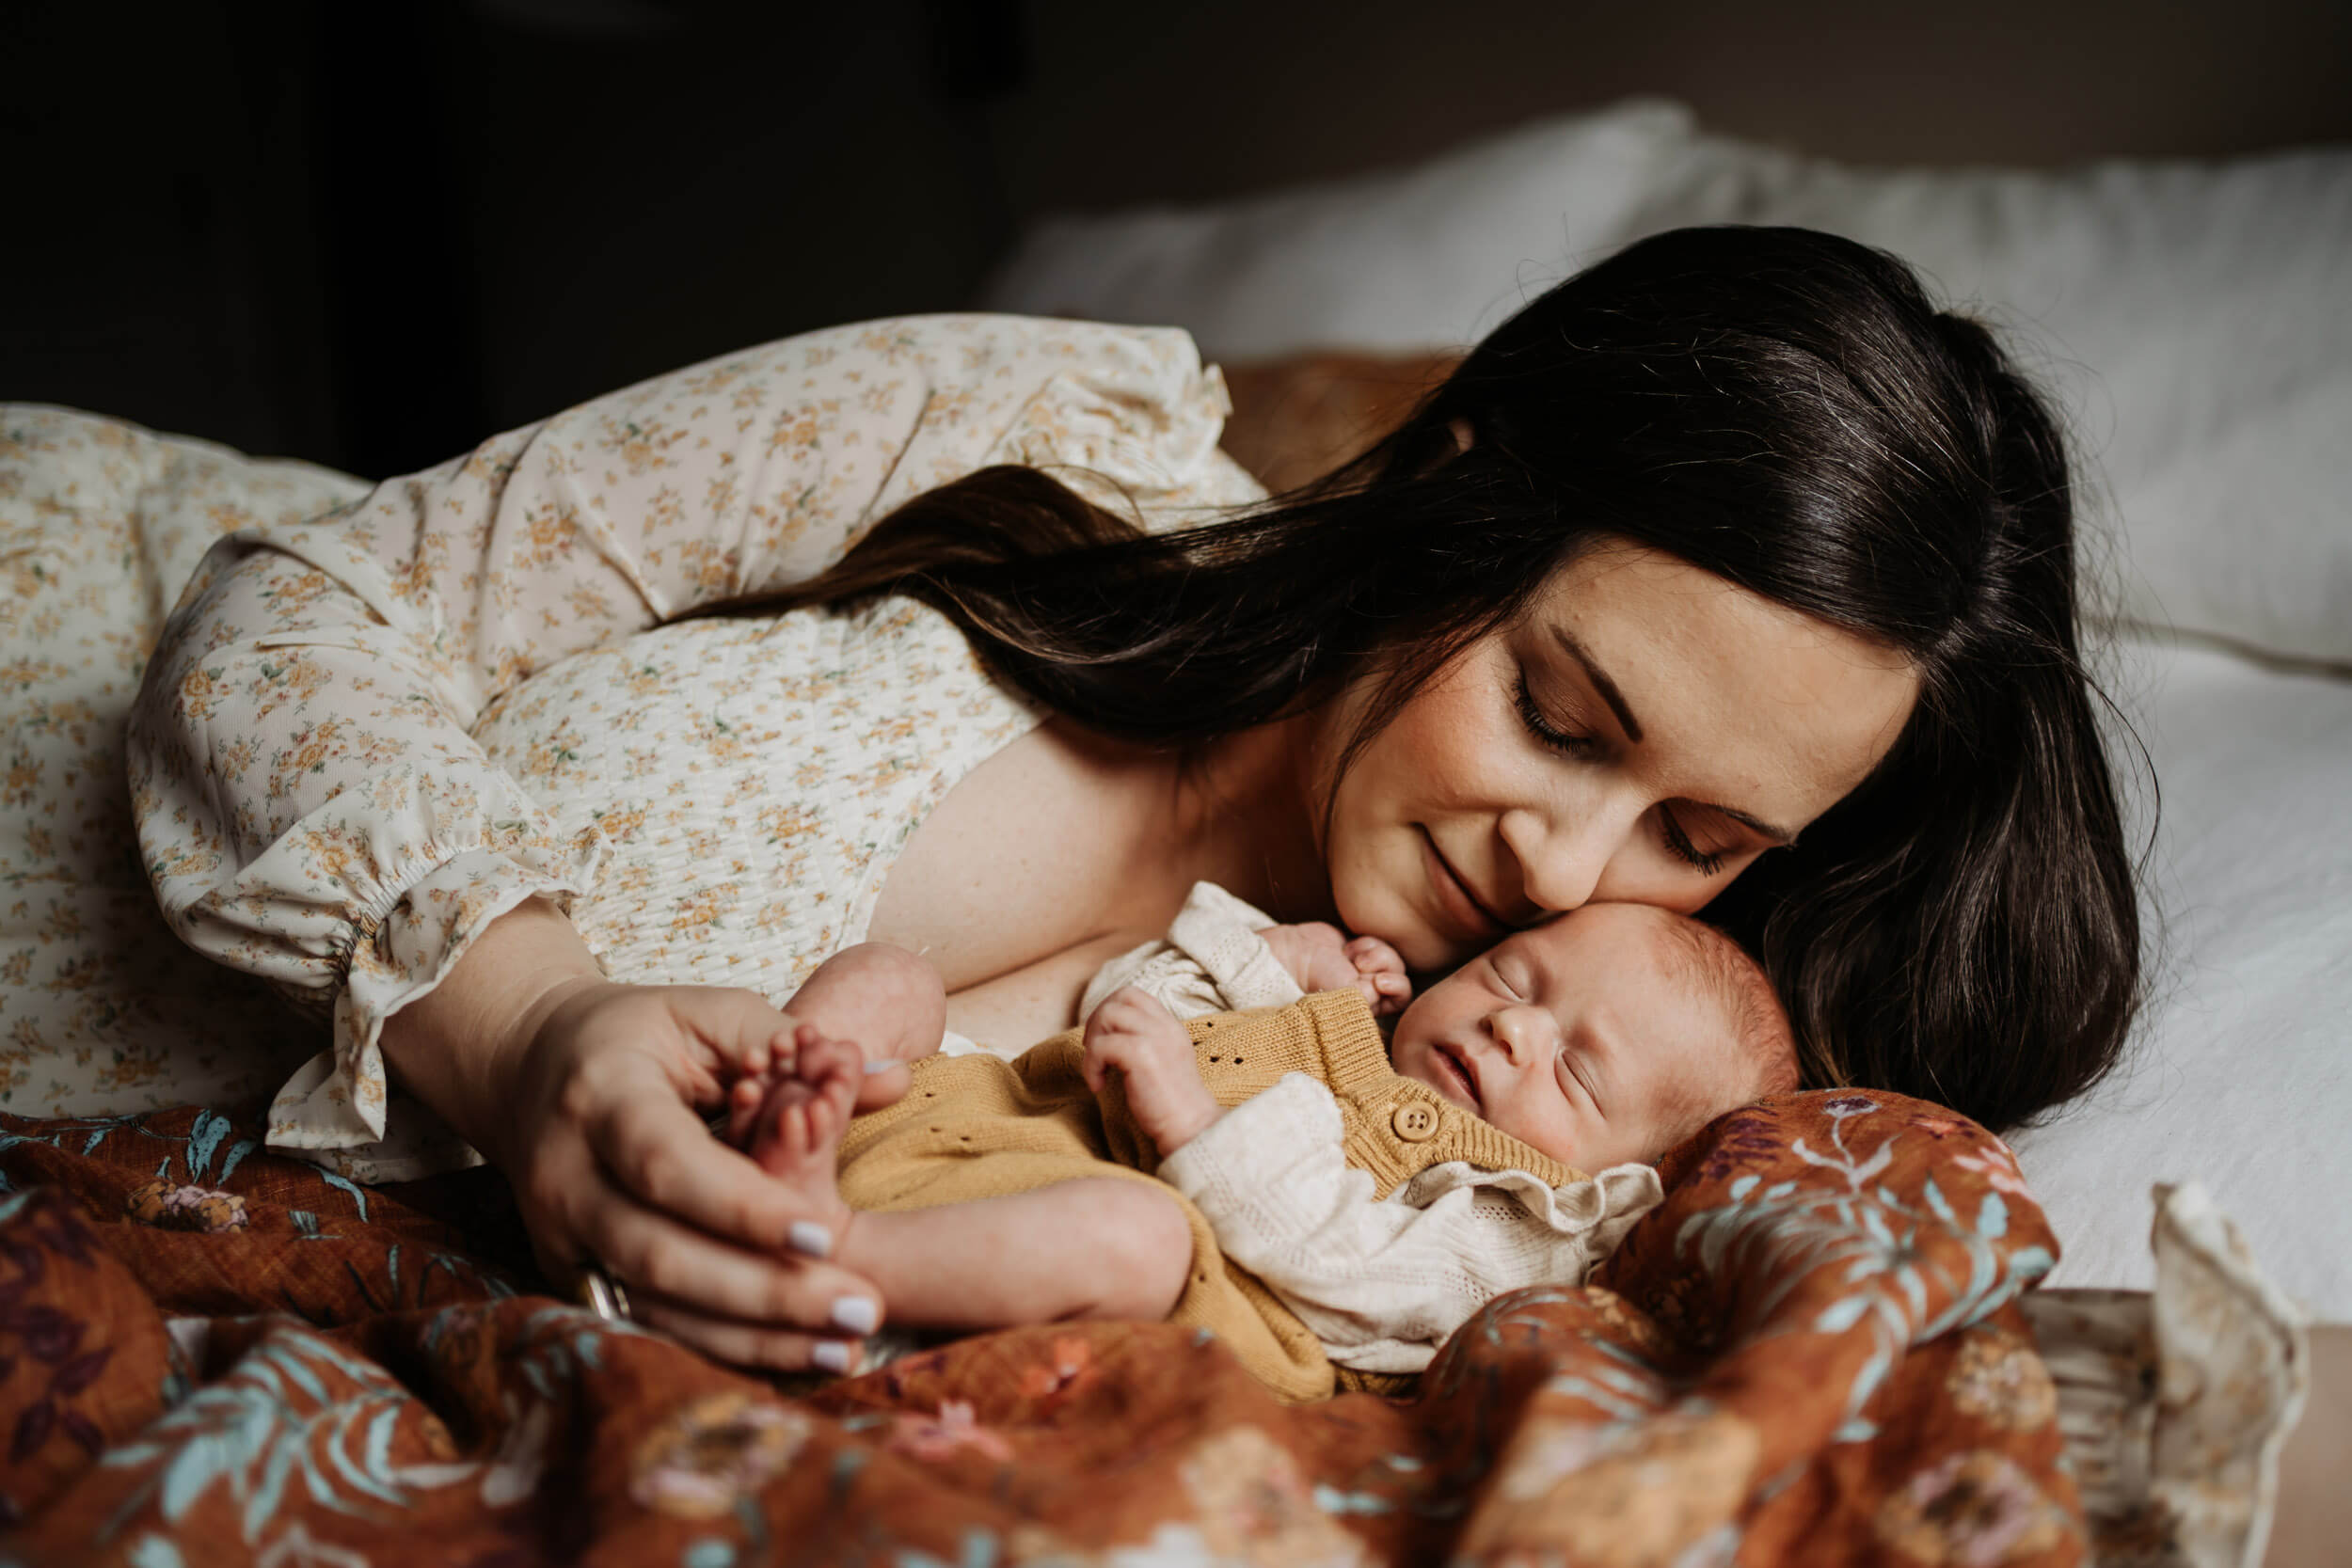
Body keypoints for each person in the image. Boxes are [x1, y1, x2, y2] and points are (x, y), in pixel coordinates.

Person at [127, 226, 2142, 1375]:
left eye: (1697, 841)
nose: (1562, 864)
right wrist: (528, 1017)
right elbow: (299, 600)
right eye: (1555, 707)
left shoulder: (1386, 1129)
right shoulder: (1049, 438)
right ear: (1453, 479)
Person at [721, 892, 1793, 1395]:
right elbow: (1119, 1014)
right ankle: (762, 1142)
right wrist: (1265, 962)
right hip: (975, 1122)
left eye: (1575, 1069)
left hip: (1099, 1268)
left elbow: (1360, 1278)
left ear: (1614, 1184)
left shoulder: (1515, 1225)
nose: (1514, 1025)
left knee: (1135, 1230)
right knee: (889, 976)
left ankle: (814, 1259)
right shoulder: (1346, 1018)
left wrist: (1193, 1120)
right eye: (1514, 976)